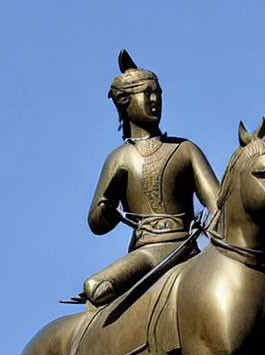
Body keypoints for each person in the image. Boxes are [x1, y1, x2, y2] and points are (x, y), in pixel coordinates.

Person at [82, 50, 219, 306]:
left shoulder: (185, 149)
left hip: (185, 244)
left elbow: (218, 203)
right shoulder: (120, 158)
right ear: (125, 102)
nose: (154, 100)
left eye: (157, 93)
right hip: (146, 252)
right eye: (147, 94)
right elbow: (95, 221)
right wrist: (105, 212)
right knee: (95, 287)